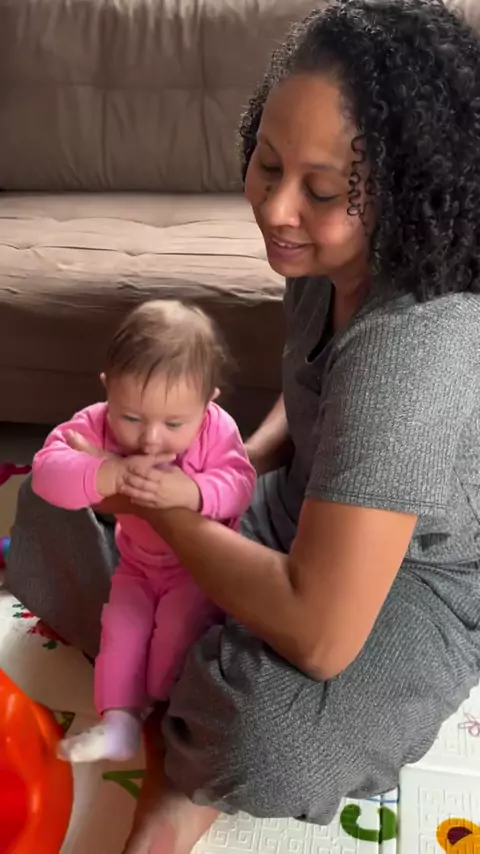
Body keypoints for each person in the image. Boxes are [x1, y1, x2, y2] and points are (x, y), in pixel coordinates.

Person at [6, 0, 480, 852]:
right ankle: (187, 674)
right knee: (51, 494)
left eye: (322, 191)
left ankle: (182, 734)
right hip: (300, 503)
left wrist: (163, 508)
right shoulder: (321, 255)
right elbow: (313, 394)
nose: (277, 209)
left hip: (415, 578)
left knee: (269, 738)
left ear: (403, 194)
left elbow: (322, 636)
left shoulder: (414, 347)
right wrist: (236, 464)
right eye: (267, 163)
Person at [31, 300, 255, 763]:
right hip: (135, 563)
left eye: (174, 424)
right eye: (131, 418)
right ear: (108, 388)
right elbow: (46, 472)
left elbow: (240, 485)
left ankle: (159, 703)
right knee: (120, 632)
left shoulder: (217, 430)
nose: (150, 438)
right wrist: (109, 473)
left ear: (208, 402)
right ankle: (119, 723)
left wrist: (192, 491)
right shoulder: (95, 423)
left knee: (173, 637)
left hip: (198, 569)